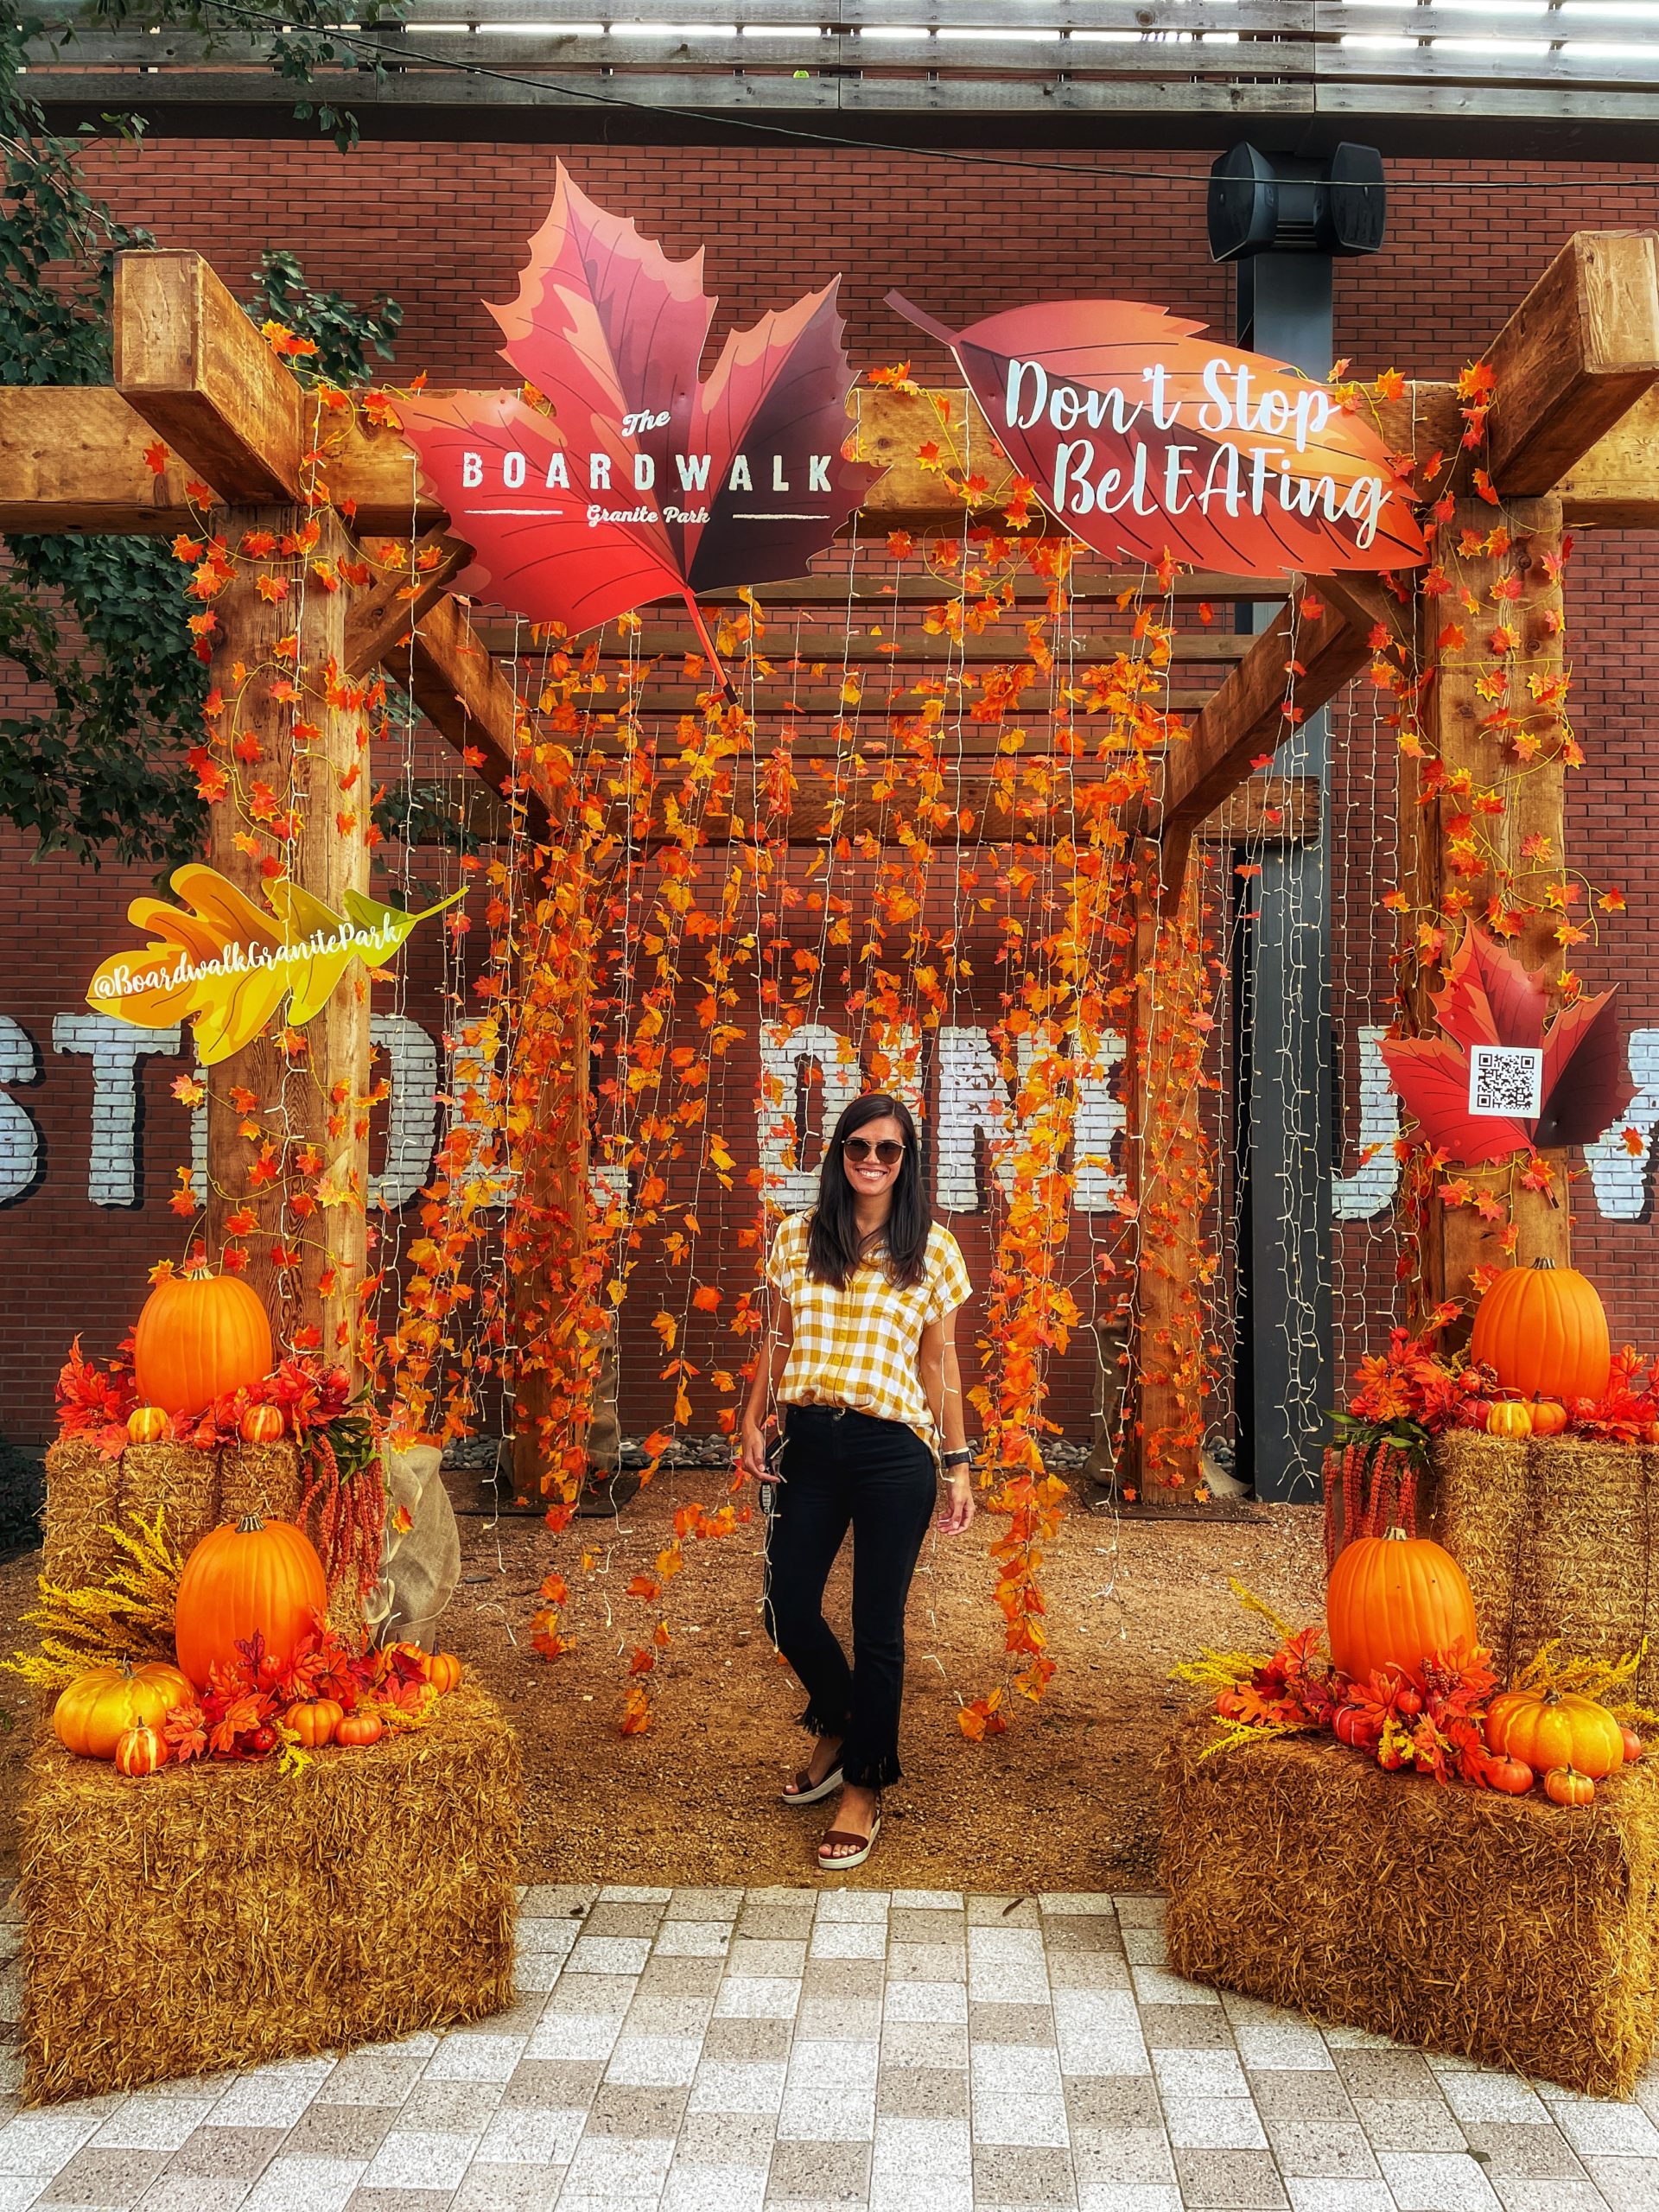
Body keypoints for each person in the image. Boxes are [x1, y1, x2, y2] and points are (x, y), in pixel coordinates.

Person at [738, 1091, 976, 1872]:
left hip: (892, 1453)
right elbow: (777, 1340)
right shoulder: (796, 1239)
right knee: (786, 1607)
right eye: (857, 1147)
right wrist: (753, 1417)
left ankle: (864, 1786)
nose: (872, 1161)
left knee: (879, 1625)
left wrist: (957, 1462)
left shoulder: (932, 1249)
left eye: (889, 1150)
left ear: (908, 1162)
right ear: (837, 1154)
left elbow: (939, 1364)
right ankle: (842, 1725)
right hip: (808, 1441)